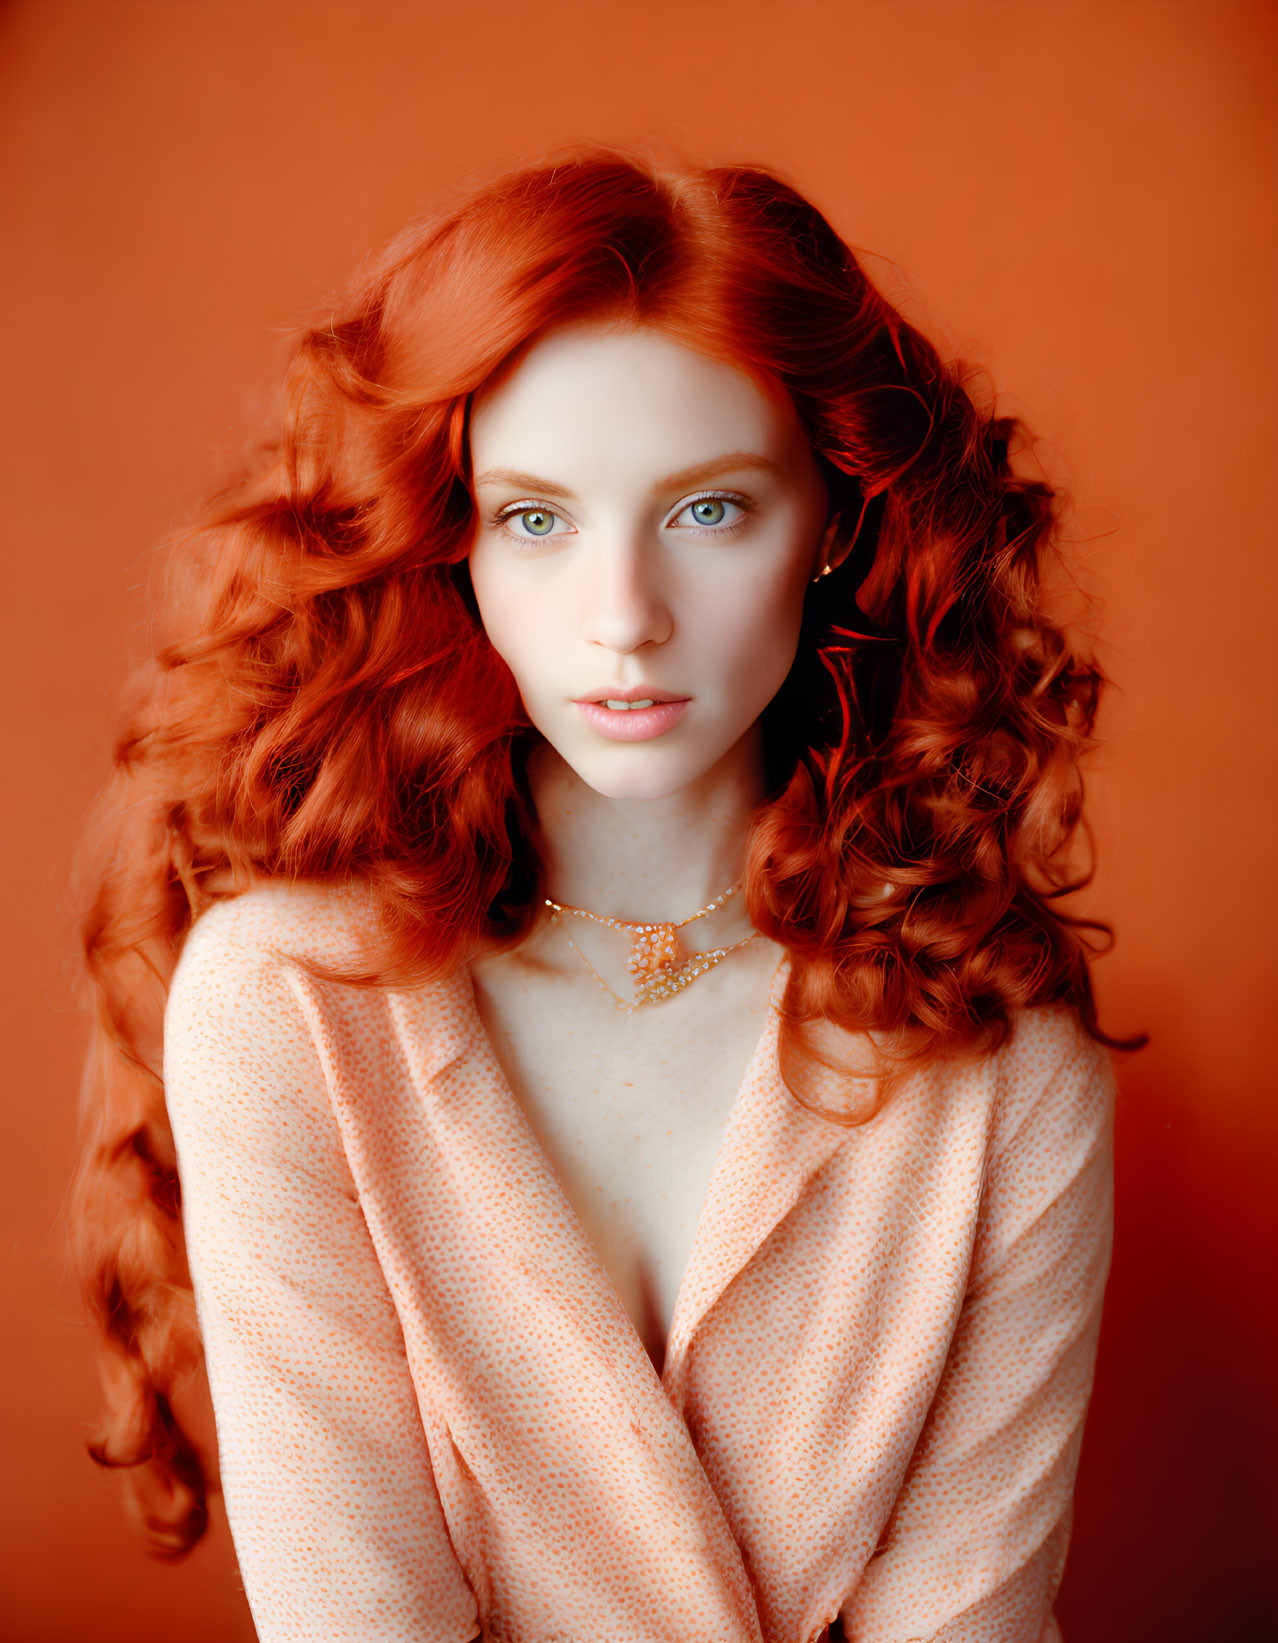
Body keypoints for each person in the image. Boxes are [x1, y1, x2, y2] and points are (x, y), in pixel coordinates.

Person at [69, 146, 1134, 1643]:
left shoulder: (1003, 1060)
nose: (622, 619)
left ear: (833, 522)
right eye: (535, 519)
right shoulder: (288, 1004)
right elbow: (352, 1613)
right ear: (455, 543)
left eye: (706, 511)